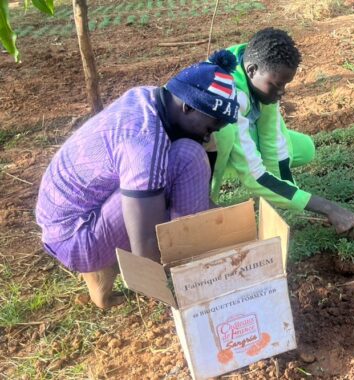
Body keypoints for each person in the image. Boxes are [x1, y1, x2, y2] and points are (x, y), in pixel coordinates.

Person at [35, 51, 240, 308]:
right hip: (76, 236)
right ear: (187, 106)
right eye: (209, 128)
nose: (209, 137)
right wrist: (189, 291)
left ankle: (101, 271)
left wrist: (230, 222)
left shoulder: (148, 99)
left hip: (67, 224)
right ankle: (106, 262)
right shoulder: (144, 143)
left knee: (183, 158)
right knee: (189, 156)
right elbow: (145, 247)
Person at [207, 28, 354, 239]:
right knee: (223, 136)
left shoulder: (262, 73)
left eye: (285, 85)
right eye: (278, 85)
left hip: (241, 133)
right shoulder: (229, 92)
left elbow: (272, 141)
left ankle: (277, 195)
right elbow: (255, 175)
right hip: (202, 149)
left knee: (303, 148)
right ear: (252, 70)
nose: (282, 92)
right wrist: (328, 207)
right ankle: (205, 205)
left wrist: (291, 196)